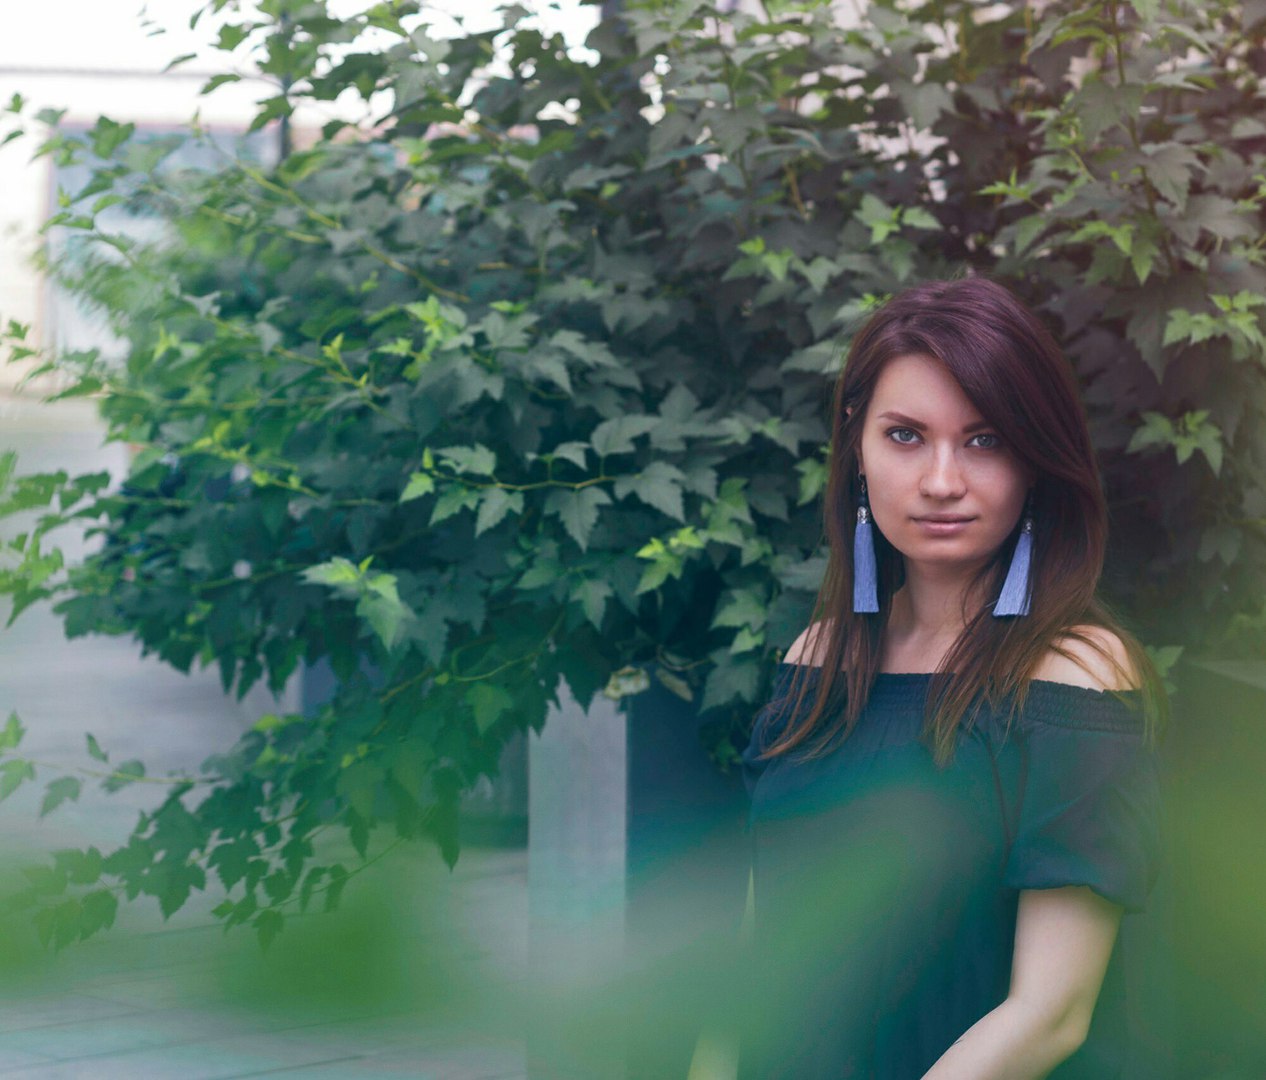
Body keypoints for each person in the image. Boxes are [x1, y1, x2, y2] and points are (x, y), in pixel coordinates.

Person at [736, 277, 1166, 1079]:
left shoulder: (1075, 678)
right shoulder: (815, 660)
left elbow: (1050, 1015)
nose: (941, 480)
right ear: (856, 449)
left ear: (1035, 462)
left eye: (984, 440)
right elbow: (757, 964)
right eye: (905, 436)